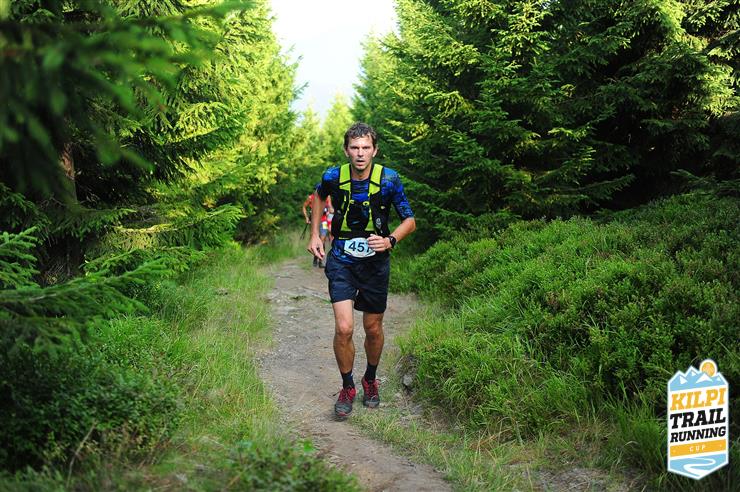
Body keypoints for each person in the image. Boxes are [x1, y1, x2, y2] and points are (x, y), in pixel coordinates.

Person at [307, 122, 416, 417]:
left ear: (374, 150)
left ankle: (370, 379)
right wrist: (315, 234)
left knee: (372, 328)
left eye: (366, 147)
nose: (360, 153)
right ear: (346, 150)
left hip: (375, 263)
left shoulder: (389, 179)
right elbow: (318, 196)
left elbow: (410, 220)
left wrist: (390, 240)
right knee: (344, 328)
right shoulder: (333, 176)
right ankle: (347, 386)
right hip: (342, 259)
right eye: (354, 147)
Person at [303, 190, 333, 267]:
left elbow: (330, 207)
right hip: (314, 222)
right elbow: (304, 207)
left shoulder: (327, 197)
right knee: (315, 239)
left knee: (322, 239)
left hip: (324, 221)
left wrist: (331, 210)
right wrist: (306, 217)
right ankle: (315, 257)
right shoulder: (311, 198)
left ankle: (320, 260)